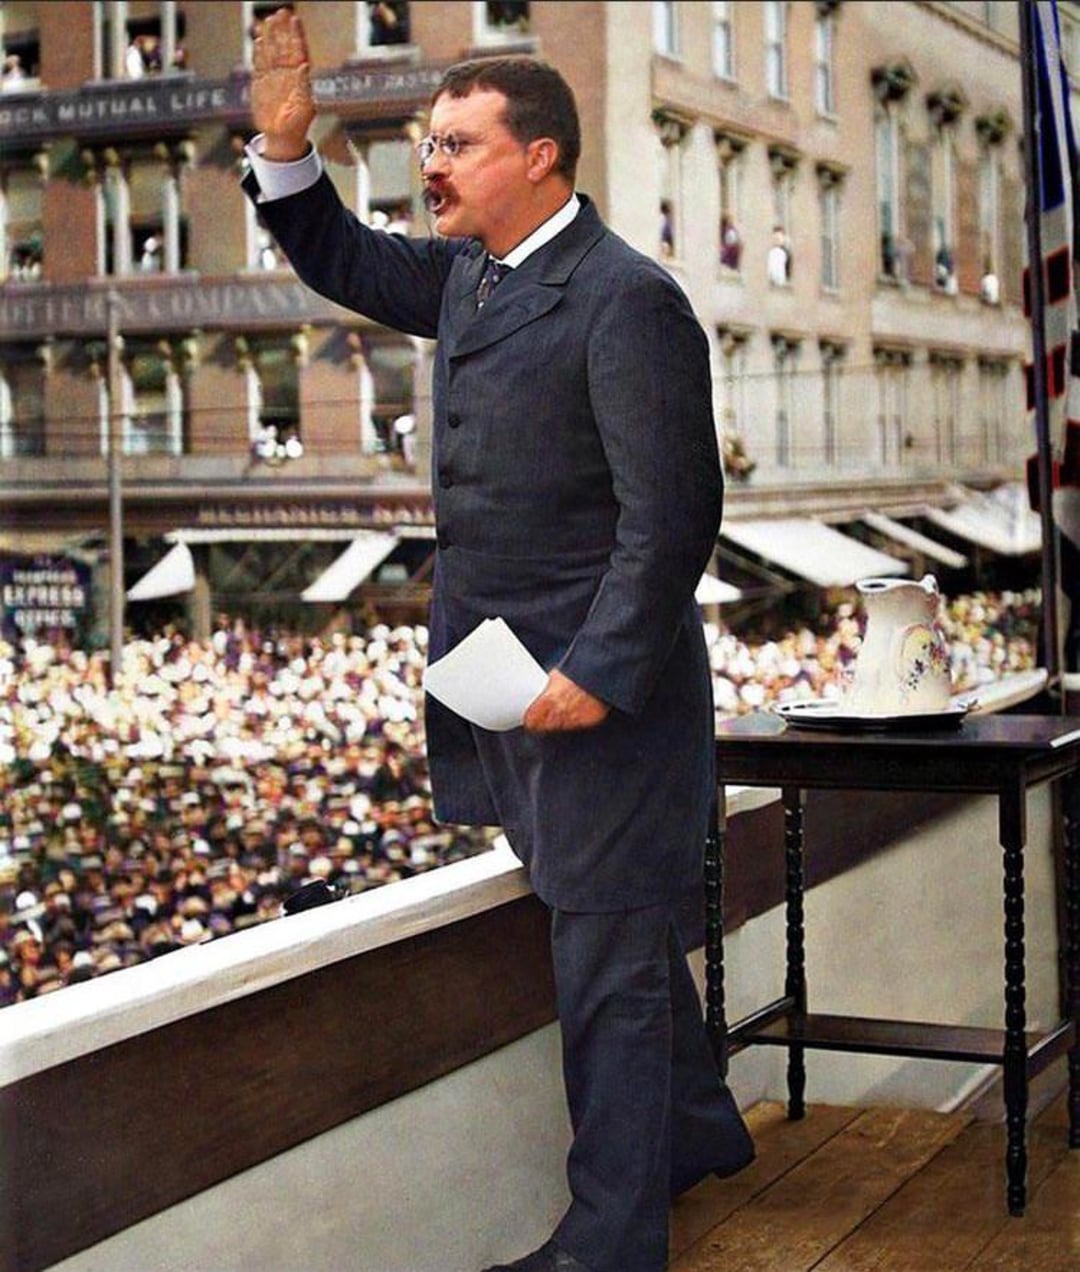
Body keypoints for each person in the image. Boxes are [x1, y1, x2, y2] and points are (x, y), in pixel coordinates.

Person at [245, 11, 753, 1271]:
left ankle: (610, 1242)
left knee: (608, 964)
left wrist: (598, 673)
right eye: (430, 143)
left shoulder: (629, 300)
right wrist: (284, 145)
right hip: (507, 699)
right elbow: (345, 261)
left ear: (542, 157)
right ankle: (696, 1134)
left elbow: (673, 514)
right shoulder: (472, 273)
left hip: (601, 709)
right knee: (614, 927)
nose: (432, 166)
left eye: (458, 145)